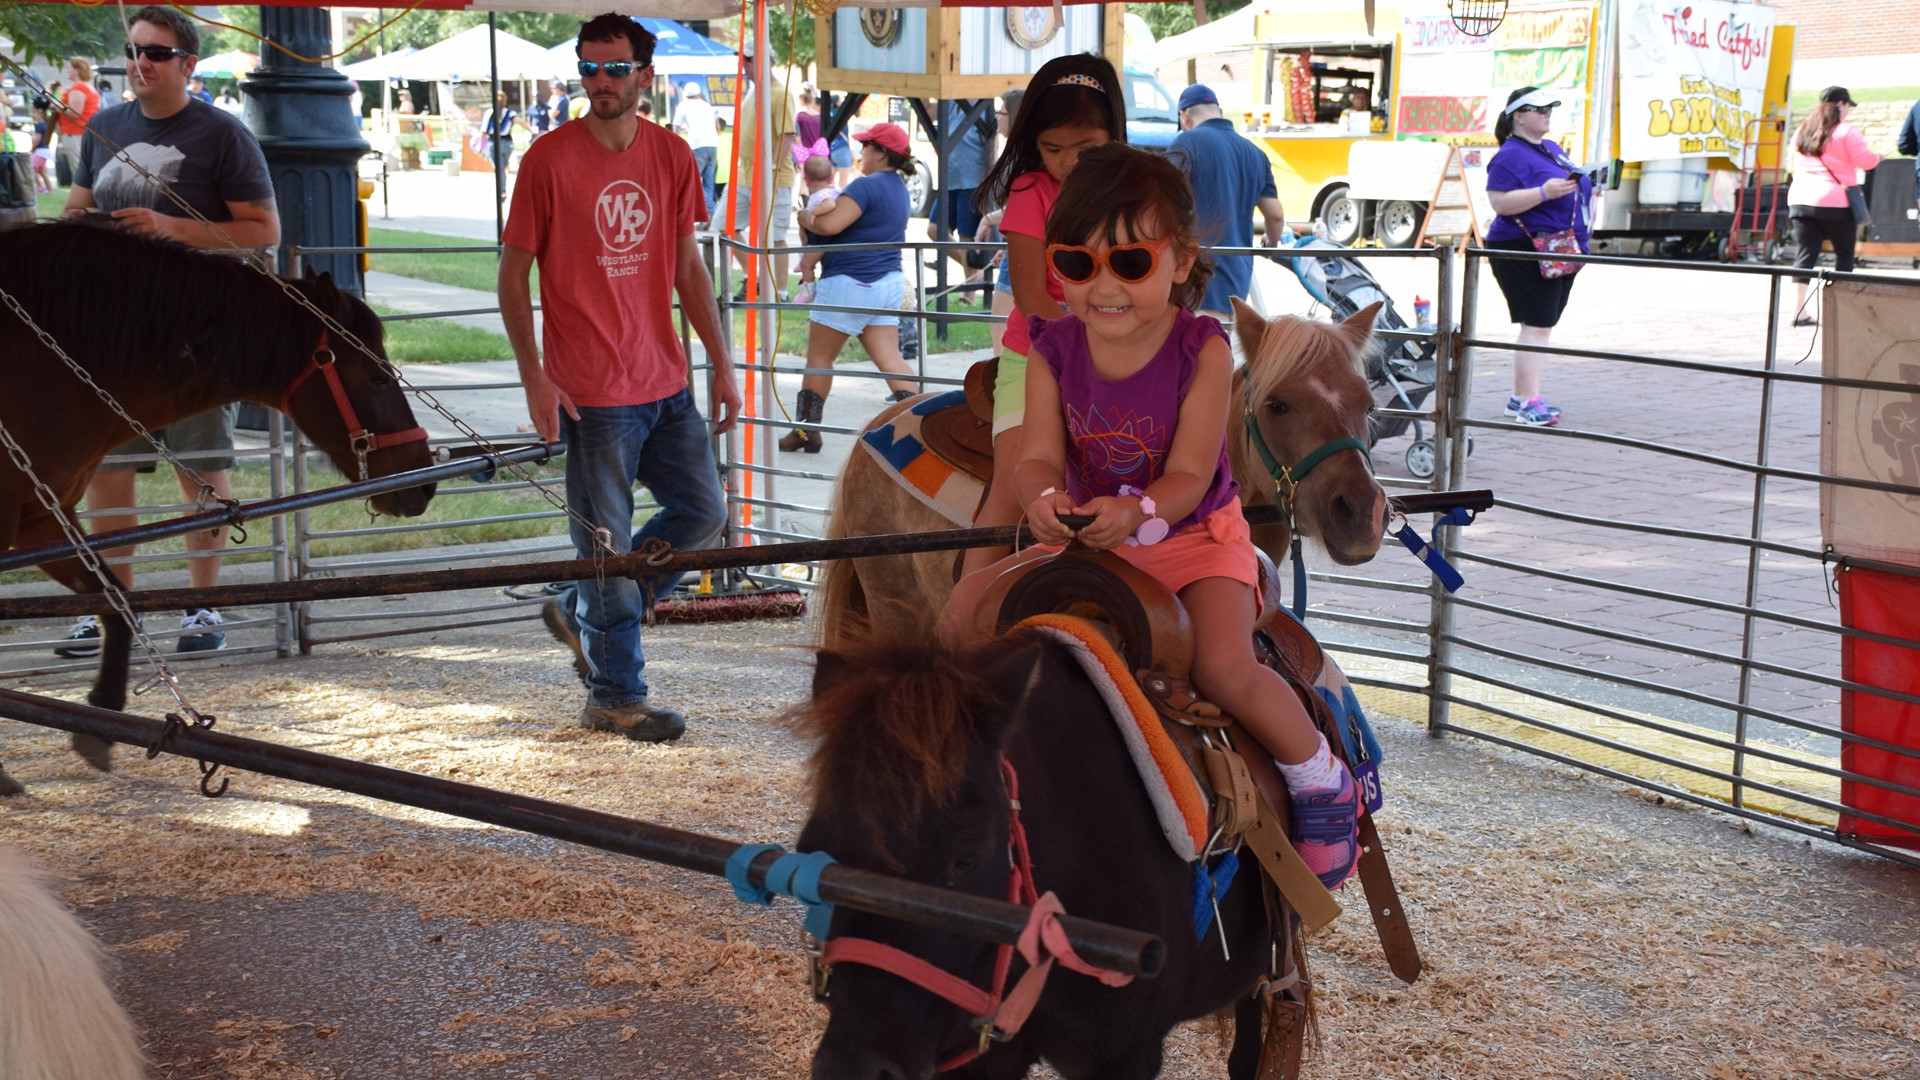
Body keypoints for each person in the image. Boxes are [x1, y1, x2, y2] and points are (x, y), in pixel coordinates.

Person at [943, 143, 1360, 891]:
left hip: (1195, 540)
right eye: (1077, 263)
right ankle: (944, 781)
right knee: (965, 611)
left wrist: (1133, 509)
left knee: (1223, 664)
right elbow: (1036, 456)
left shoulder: (1200, 349)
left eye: (1129, 264)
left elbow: (1192, 473)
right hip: (1095, 543)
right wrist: (1043, 499)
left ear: (1179, 261)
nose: (1103, 286)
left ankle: (1319, 780)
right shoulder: (1051, 349)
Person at [498, 13, 741, 743]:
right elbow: (512, 277)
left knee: (703, 515)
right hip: (592, 392)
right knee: (604, 548)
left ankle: (594, 615)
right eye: (589, 69)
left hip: (665, 380)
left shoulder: (671, 154)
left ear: (645, 75)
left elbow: (687, 266)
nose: (599, 82)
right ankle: (615, 694)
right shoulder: (547, 158)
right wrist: (535, 377)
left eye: (614, 69)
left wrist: (722, 363)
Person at [57, 4, 280, 657]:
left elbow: (262, 233)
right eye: (131, 51)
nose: (139, 64)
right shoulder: (102, 126)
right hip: (111, 339)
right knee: (108, 474)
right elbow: (77, 208)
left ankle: (201, 608)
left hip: (197, 341)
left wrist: (169, 230)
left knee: (203, 474)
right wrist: (86, 228)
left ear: (187, 65)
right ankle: (111, 607)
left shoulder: (222, 134)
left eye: (154, 53)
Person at [959, 53, 1125, 579]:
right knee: (1014, 487)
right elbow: (1032, 294)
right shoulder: (1033, 191)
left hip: (1120, 354)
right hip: (1037, 354)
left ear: (1113, 136)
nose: (1068, 162)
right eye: (1052, 149)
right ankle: (961, 617)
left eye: (1086, 148)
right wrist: (1099, 350)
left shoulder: (1132, 190)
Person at [777, 122, 919, 453]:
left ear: (881, 154)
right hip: (887, 282)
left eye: (866, 147)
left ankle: (806, 431)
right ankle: (919, 424)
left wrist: (804, 218)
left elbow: (829, 224)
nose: (860, 153)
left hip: (848, 283)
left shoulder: (866, 186)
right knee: (891, 358)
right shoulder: (898, 187)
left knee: (819, 357)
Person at [1482, 86, 1593, 427]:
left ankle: (1521, 398)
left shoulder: (1550, 149)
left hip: (1556, 246)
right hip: (1524, 247)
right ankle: (1529, 401)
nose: (1547, 114)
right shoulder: (1509, 155)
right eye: (1539, 108)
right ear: (1518, 115)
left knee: (1541, 326)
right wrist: (1544, 192)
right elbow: (1498, 202)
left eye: (1550, 109)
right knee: (1537, 326)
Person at [1170, 83, 1286, 337]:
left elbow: (1158, 200)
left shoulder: (1186, 142)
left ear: (1185, 117)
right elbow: (1275, 215)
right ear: (1219, 112)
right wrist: (1271, 243)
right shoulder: (1255, 153)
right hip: (1237, 284)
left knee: (1192, 367)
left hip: (1194, 283)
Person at [1787, 86, 1881, 327]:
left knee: (1805, 254)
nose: (1848, 110)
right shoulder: (1847, 131)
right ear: (1840, 104)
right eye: (1848, 105)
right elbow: (1866, 161)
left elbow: (1791, 162)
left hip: (1800, 199)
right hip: (1834, 201)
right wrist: (1879, 156)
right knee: (1844, 253)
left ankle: (1798, 311)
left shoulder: (1802, 131)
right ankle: (1841, 309)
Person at [726, 38, 797, 301]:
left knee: (775, 237)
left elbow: (787, 136)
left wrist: (773, 168)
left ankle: (780, 292)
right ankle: (753, 276)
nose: (744, 65)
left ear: (767, 62)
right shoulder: (753, 90)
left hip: (772, 179)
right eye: (743, 59)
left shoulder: (781, 93)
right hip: (745, 175)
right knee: (726, 226)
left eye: (749, 59)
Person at [925, 97, 993, 277]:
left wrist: (989, 181)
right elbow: (927, 110)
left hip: (973, 181)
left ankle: (970, 291)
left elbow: (992, 146)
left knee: (967, 236)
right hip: (950, 180)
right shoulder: (951, 102)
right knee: (934, 229)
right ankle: (974, 275)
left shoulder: (985, 106)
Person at [792, 153, 838, 303]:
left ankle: (808, 291)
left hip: (821, 240)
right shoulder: (830, 190)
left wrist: (813, 212)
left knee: (807, 265)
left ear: (807, 181)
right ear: (831, 176)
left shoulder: (824, 195)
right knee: (804, 245)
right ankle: (803, 258)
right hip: (818, 238)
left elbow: (830, 204)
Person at [672, 81, 718, 214]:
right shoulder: (706, 105)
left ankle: (710, 210)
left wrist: (676, 147)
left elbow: (676, 127)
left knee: (694, 182)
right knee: (709, 183)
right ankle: (706, 215)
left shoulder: (684, 106)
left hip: (697, 146)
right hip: (713, 144)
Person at [53, 59, 100, 188]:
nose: (67, 70)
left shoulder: (78, 88)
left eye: (70, 68)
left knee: (78, 171)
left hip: (74, 133)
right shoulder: (89, 87)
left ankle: (83, 201)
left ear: (78, 70)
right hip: (85, 132)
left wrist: (58, 106)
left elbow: (75, 112)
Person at [478, 91, 522, 172]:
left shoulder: (489, 112)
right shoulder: (510, 113)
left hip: (493, 143)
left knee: (499, 170)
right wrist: (531, 130)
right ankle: (504, 176)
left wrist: (482, 147)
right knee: (502, 168)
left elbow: (483, 132)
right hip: (507, 143)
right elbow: (520, 121)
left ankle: (502, 180)